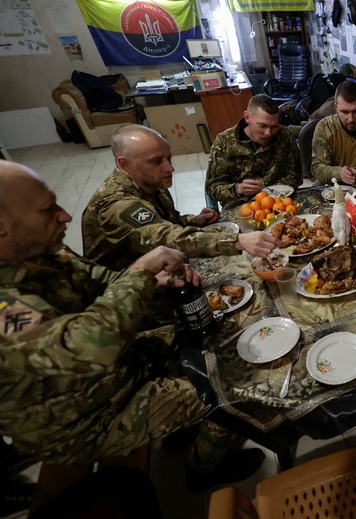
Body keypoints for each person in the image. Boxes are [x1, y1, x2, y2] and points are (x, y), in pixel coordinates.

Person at [0, 161, 265, 492]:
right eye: (46, 209)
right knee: (232, 389)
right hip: (80, 420)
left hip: (114, 372)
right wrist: (142, 271)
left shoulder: (38, 251)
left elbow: (98, 278)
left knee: (218, 333)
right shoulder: (4, 305)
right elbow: (87, 349)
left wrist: (157, 280)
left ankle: (181, 427)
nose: (65, 215)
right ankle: (205, 471)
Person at [83, 125, 283, 272]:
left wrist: (194, 220)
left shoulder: (149, 182)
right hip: (126, 296)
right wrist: (237, 241)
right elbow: (167, 237)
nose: (170, 168)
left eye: (168, 158)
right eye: (156, 161)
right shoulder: (115, 205)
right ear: (125, 164)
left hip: (162, 267)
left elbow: (167, 221)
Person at [205, 94, 302, 210]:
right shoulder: (224, 142)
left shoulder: (284, 135)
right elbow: (212, 188)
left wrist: (267, 188)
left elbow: (296, 177)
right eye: (262, 126)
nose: (268, 133)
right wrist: (238, 189)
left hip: (279, 200)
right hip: (241, 206)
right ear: (247, 117)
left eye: (274, 126)